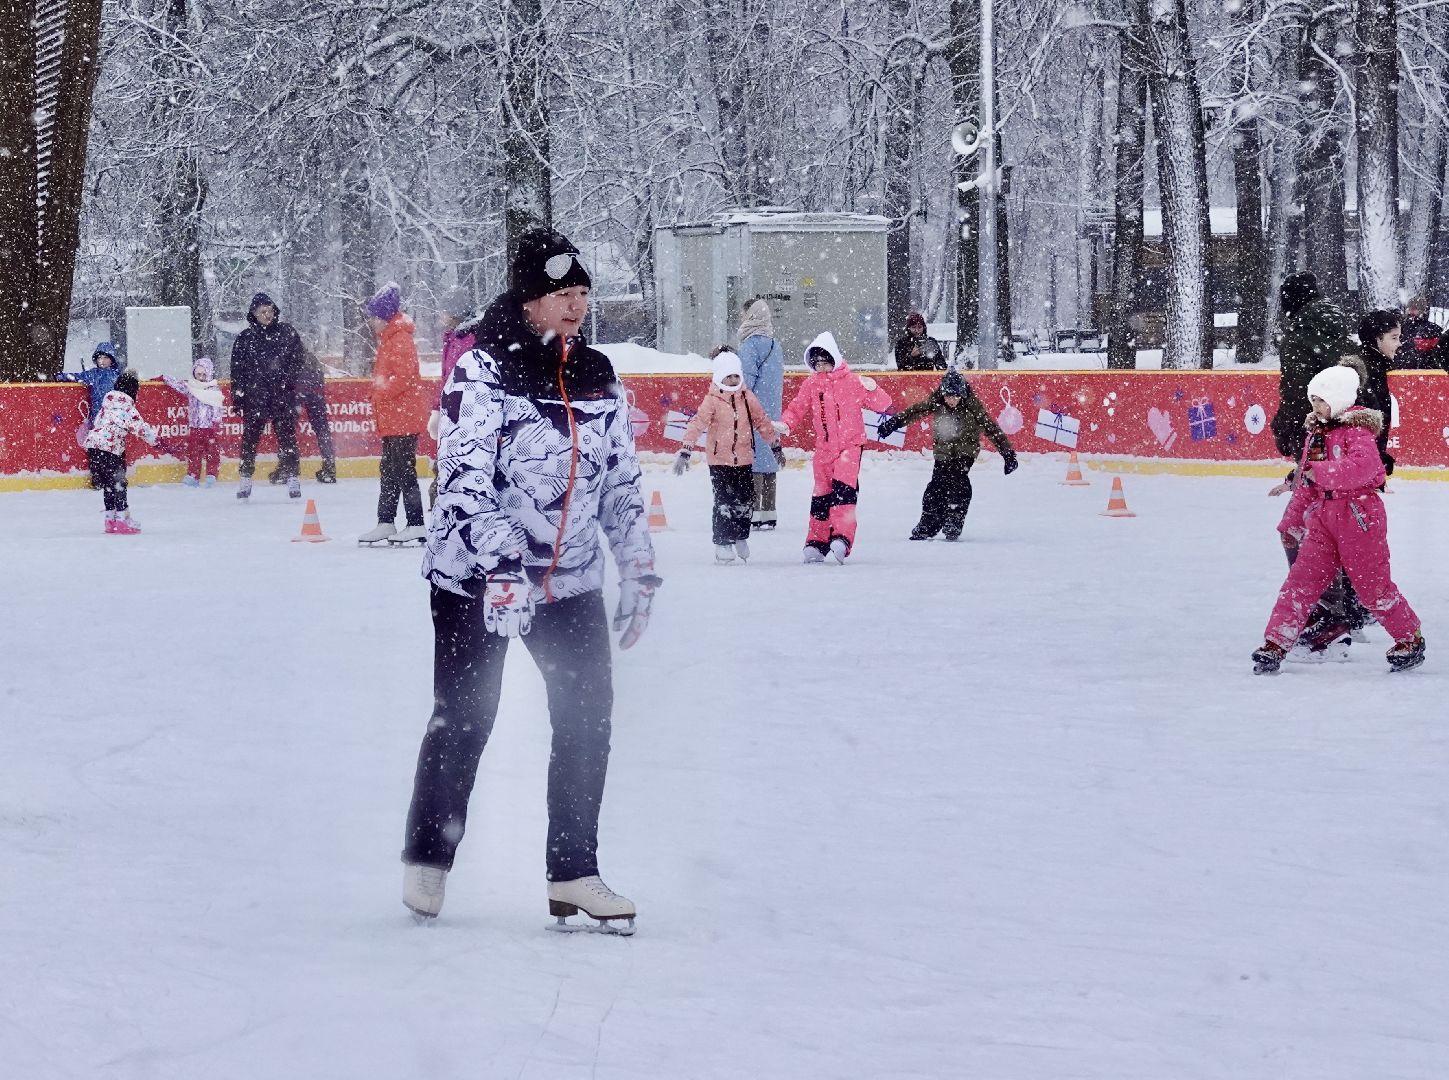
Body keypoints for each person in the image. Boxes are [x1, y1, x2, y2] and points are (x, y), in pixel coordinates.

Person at [401, 229, 659, 931]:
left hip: (568, 582)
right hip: (473, 582)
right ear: (529, 299)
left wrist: (636, 562)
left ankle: (573, 872)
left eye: (582, 294)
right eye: (561, 295)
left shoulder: (599, 375)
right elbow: (461, 481)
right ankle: (429, 855)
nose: (576, 307)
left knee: (585, 722)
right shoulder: (482, 372)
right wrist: (501, 567)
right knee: (465, 720)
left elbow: (620, 486)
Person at [1253, 366, 1424, 674]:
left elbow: (1366, 469)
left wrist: (1321, 473)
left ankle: (1410, 638)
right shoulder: (1315, 436)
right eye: (1313, 400)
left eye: (1321, 400)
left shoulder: (1358, 433)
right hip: (1322, 520)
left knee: (1373, 586)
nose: (1315, 407)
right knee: (1300, 583)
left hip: (1359, 517)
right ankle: (1276, 643)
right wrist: (1291, 523)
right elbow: (1306, 485)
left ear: (1340, 399)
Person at [776, 331, 892, 564]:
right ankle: (816, 543)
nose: (822, 368)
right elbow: (797, 407)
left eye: (825, 362)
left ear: (835, 360)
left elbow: (884, 405)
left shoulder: (853, 382)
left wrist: (873, 389)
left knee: (843, 492)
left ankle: (842, 538)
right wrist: (786, 424)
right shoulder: (811, 385)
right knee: (821, 496)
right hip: (824, 450)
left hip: (850, 446)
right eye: (817, 364)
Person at [877, 369, 1018, 541]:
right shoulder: (936, 402)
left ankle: (954, 519)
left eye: (955, 397)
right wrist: (893, 423)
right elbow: (914, 411)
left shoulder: (973, 407)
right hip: (943, 451)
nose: (951, 401)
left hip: (965, 450)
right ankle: (929, 523)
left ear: (962, 395)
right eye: (948, 397)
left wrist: (1008, 454)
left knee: (958, 481)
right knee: (936, 485)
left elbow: (991, 429)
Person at [672, 350, 783, 563]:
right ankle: (722, 542)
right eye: (728, 376)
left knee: (745, 501)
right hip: (719, 461)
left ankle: (740, 536)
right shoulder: (712, 400)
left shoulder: (747, 397)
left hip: (744, 459)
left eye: (735, 376)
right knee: (724, 502)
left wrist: (775, 447)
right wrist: (685, 450)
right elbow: (697, 424)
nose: (732, 380)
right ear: (718, 377)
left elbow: (762, 422)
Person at [358, 283, 429, 546]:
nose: (372, 322)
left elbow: (403, 377)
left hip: (403, 418)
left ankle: (416, 523)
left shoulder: (399, 339)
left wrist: (379, 393)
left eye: (374, 317)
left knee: (403, 471)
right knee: (389, 470)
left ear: (385, 316)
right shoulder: (390, 339)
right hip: (394, 418)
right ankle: (386, 522)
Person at [231, 292, 303, 499]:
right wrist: (238, 395)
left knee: (287, 437)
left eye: (270, 310)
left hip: (282, 395)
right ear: (254, 313)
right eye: (262, 311)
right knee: (250, 439)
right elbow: (237, 369)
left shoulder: (286, 333)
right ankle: (245, 477)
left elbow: (298, 360)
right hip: (255, 396)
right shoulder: (245, 339)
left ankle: (292, 478)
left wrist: (288, 382)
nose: (267, 315)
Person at [1271, 272, 1350, 460]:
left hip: (1314, 431)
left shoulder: (1298, 339)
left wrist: (1282, 428)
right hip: (1345, 429)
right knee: (1338, 485)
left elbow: (1296, 393)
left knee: (1313, 483)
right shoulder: (1337, 329)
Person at [83, 370, 157, 534]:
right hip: (110, 451)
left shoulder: (107, 403)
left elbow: (97, 422)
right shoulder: (127, 406)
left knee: (108, 486)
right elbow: (141, 428)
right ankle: (123, 519)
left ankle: (110, 520)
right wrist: (156, 441)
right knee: (119, 484)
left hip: (94, 447)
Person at [426, 288, 477, 508]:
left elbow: (457, 381)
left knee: (452, 469)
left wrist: (447, 410)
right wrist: (437, 409)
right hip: (451, 414)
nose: (441, 316)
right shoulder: (452, 339)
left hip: (462, 416)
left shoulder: (466, 340)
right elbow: (445, 380)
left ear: (455, 312)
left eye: (444, 311)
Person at [736, 299, 785, 528]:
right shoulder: (775, 345)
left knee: (753, 459)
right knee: (769, 458)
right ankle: (769, 511)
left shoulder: (749, 346)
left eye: (744, 314)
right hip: (773, 410)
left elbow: (745, 381)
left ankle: (753, 511)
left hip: (753, 411)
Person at [272, 345, 336, 484]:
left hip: (297, 390)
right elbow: (320, 374)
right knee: (322, 429)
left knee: (286, 429)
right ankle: (329, 468)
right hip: (315, 390)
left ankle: (287, 468)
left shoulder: (284, 355)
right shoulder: (310, 356)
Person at [158, 357, 225, 486]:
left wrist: (216, 424)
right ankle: (193, 476)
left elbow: (217, 408)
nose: (200, 377)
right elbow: (179, 384)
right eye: (198, 374)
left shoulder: (213, 390)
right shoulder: (192, 387)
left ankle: (211, 475)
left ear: (209, 373)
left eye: (204, 374)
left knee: (212, 453)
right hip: (195, 428)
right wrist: (164, 378)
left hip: (210, 429)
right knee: (194, 453)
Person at [55, 342, 126, 428]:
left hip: (115, 416)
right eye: (99, 358)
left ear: (112, 359)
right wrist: (62, 376)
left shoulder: (118, 375)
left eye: (106, 357)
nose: (102, 361)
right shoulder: (94, 373)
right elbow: (76, 376)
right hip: (97, 416)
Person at [1395, 296, 1444, 369]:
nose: (1410, 310)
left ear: (1421, 310)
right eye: (1409, 307)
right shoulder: (1401, 327)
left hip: (1425, 372)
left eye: (1414, 308)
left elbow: (1437, 353)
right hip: (1402, 371)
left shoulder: (1431, 329)